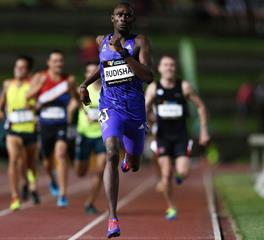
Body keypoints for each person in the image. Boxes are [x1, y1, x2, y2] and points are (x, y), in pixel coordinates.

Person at [79, 2, 153, 238]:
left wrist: (124, 54)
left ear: (132, 19)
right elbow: (102, 67)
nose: (123, 18)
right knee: (111, 151)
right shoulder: (102, 40)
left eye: (127, 15)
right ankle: (112, 217)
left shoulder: (140, 42)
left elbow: (148, 76)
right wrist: (85, 85)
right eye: (119, 15)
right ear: (112, 18)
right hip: (110, 106)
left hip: (135, 110)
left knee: (135, 164)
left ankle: (128, 158)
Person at [145, 55, 210, 220]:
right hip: (162, 137)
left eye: (172, 65)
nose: (168, 68)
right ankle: (171, 207)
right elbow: (144, 108)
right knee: (166, 174)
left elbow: (201, 107)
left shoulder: (184, 87)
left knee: (183, 171)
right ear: (159, 69)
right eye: (165, 65)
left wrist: (203, 131)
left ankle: (179, 176)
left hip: (181, 136)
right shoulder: (153, 88)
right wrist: (144, 123)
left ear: (175, 68)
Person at [26, 50, 78, 208]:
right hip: (45, 123)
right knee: (47, 162)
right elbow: (28, 97)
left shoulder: (68, 80)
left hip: (61, 123)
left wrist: (71, 108)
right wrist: (40, 86)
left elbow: (76, 98)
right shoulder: (40, 77)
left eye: (61, 61)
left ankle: (63, 193)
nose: (58, 64)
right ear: (48, 63)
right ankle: (52, 179)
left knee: (61, 154)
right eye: (55, 61)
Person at [0, 55, 40, 211]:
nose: (18, 70)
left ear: (27, 71)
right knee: (14, 160)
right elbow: (0, 106)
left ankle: (31, 184)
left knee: (29, 164)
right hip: (13, 130)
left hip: (30, 129)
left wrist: (34, 106)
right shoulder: (8, 84)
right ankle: (14, 196)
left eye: (22, 67)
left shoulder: (32, 85)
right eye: (16, 67)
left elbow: (39, 103)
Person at [74, 62, 106, 215]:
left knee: (100, 171)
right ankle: (81, 165)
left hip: (102, 134)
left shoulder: (108, 91)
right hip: (85, 134)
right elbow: (74, 104)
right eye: (89, 71)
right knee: (80, 171)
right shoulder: (81, 91)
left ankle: (90, 202)